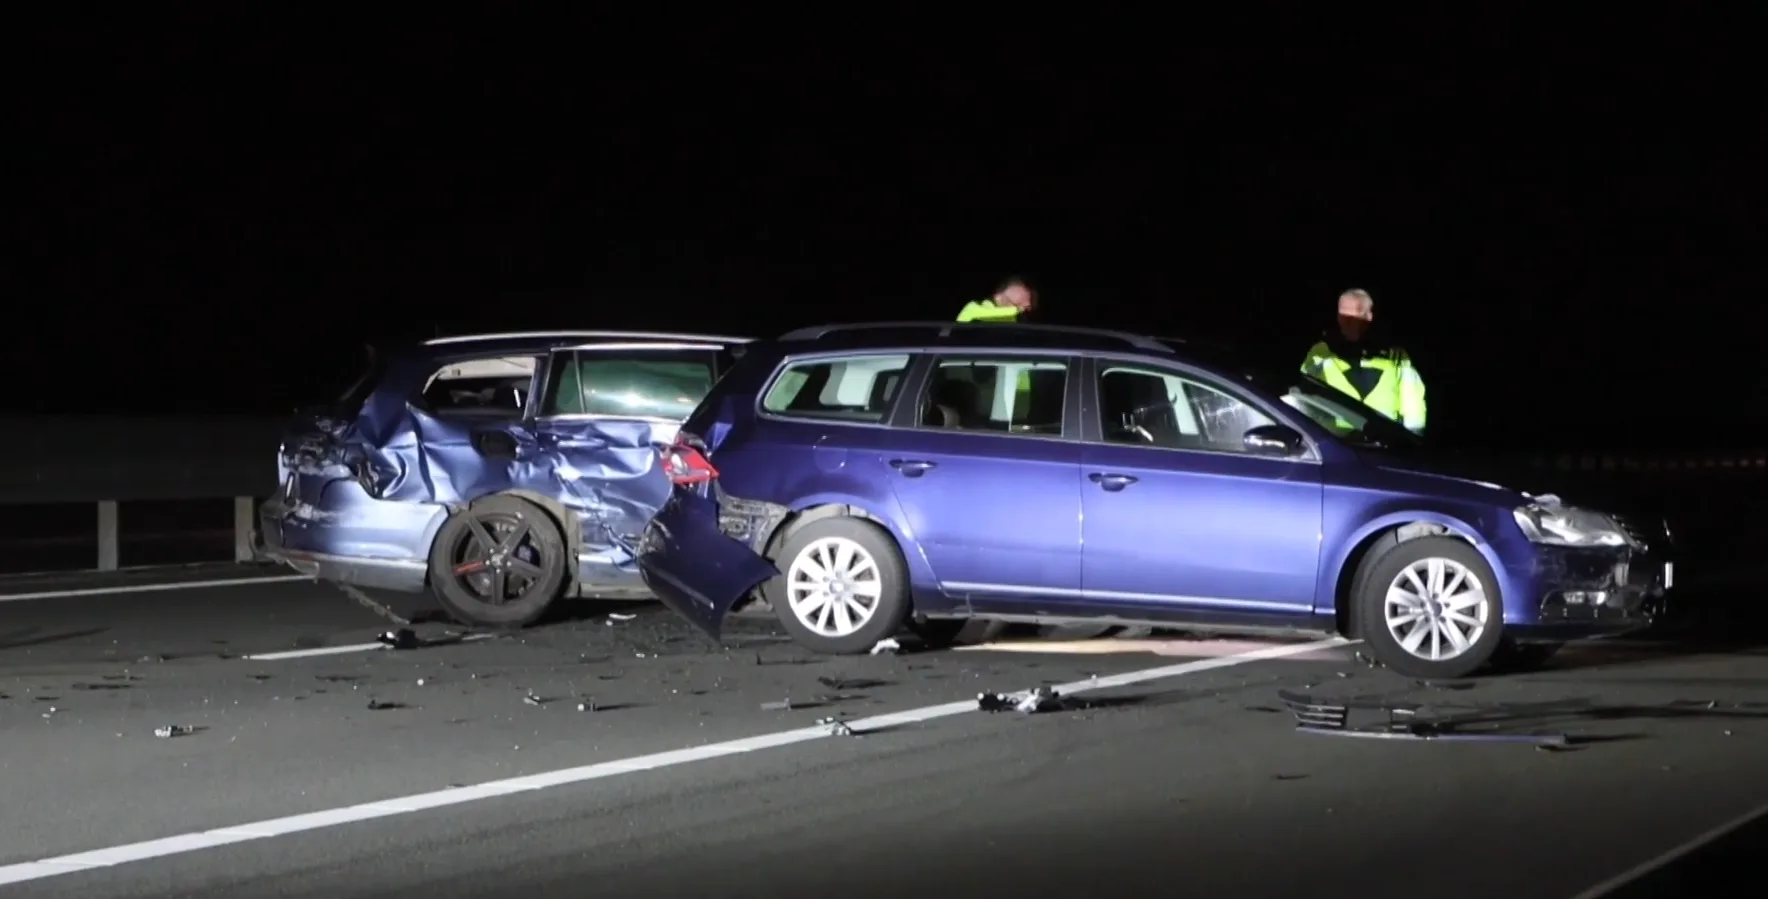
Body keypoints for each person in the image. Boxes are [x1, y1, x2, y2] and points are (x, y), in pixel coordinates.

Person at [1300, 289, 1427, 434]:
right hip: (1335, 447)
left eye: (1354, 316)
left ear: (1369, 317)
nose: (1347, 322)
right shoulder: (1320, 353)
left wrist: (1412, 445)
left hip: (1385, 447)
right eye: (1343, 315)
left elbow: (1414, 410)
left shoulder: (1396, 357)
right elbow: (1303, 400)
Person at [956, 277, 1036, 323]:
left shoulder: (1018, 317)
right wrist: (1017, 309)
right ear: (1000, 296)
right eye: (1016, 303)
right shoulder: (974, 307)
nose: (1026, 304)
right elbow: (982, 313)